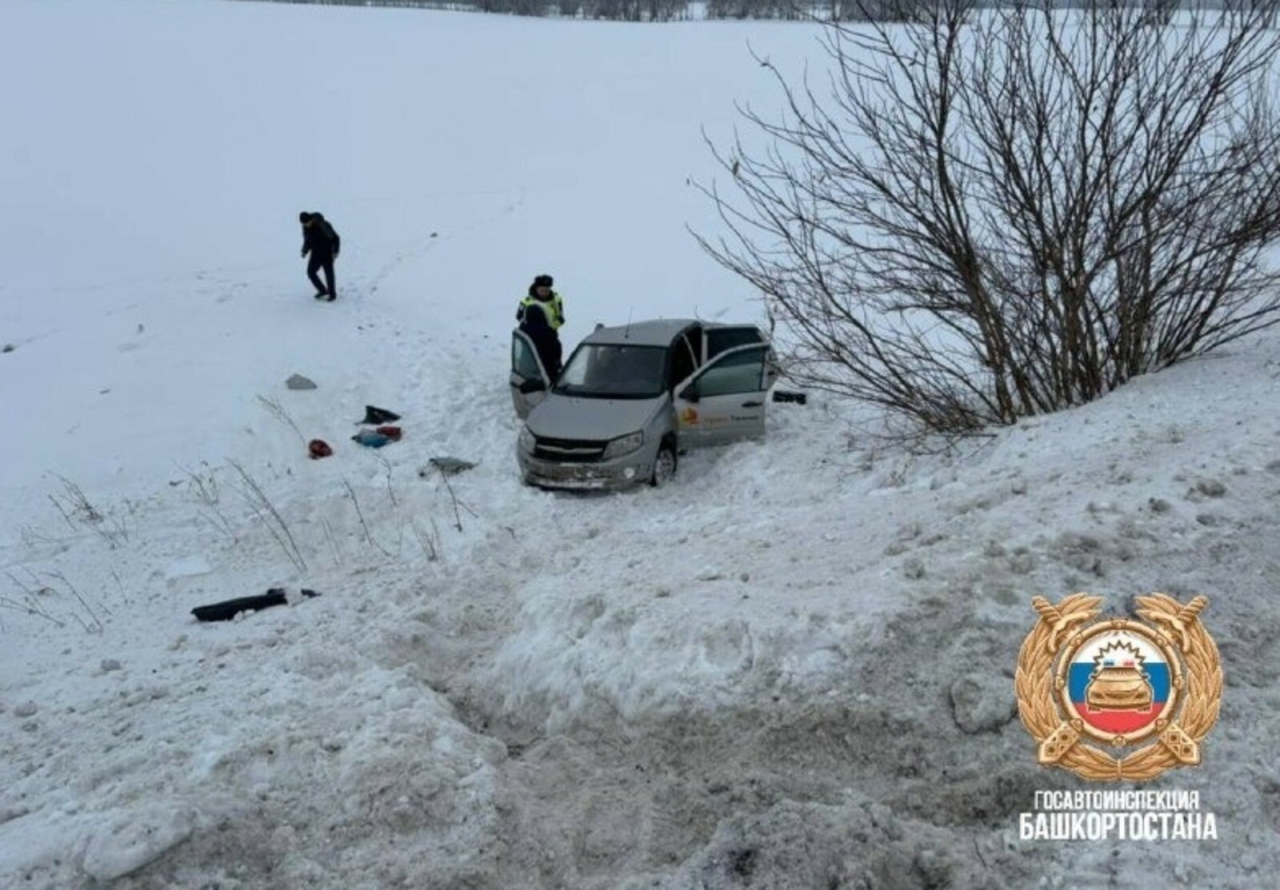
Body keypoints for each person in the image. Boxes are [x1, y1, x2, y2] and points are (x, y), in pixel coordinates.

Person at [517, 274, 565, 381]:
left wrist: (550, 328)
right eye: (542, 290)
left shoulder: (556, 299)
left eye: (546, 290)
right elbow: (519, 317)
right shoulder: (527, 301)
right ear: (536, 288)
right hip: (531, 337)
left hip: (550, 336)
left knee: (553, 358)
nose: (544, 293)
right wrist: (533, 327)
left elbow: (560, 318)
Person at [299, 211, 340, 301]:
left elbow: (335, 238)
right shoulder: (305, 228)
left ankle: (332, 294)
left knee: (329, 274)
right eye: (303, 224)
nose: (306, 225)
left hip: (327, 252)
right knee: (311, 272)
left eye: (307, 223)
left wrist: (335, 251)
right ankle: (322, 290)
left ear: (311, 220)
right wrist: (305, 251)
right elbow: (307, 241)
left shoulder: (323, 225)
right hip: (315, 253)